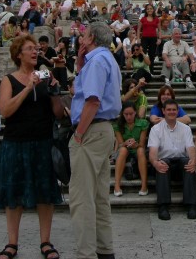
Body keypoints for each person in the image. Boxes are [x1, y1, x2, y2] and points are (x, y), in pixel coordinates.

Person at [0, 35, 63, 259]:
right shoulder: (8, 80)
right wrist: (27, 87)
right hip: (15, 143)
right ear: (18, 54)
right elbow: (5, 111)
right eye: (29, 49)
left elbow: (58, 113)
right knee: (13, 193)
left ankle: (46, 241)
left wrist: (55, 92)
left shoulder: (46, 76)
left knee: (45, 194)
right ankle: (12, 243)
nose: (35, 52)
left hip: (42, 142)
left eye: (36, 49)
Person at [69, 22, 122, 259]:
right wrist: (81, 64)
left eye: (83, 35)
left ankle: (86, 253)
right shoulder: (105, 59)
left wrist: (79, 133)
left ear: (91, 37)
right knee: (100, 197)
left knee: (81, 198)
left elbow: (92, 101)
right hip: (103, 130)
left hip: (90, 132)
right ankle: (104, 249)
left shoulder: (97, 62)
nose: (80, 39)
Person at [148, 99, 196, 220]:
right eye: (169, 110)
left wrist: (193, 161)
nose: (171, 112)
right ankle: (163, 206)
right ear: (163, 111)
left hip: (180, 163)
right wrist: (155, 163)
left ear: (177, 111)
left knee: (188, 163)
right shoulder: (155, 129)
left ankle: (192, 206)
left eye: (174, 110)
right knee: (161, 164)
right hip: (165, 163)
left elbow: (190, 148)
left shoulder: (185, 128)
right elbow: (153, 152)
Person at [113, 101, 149, 197]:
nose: (129, 117)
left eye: (131, 114)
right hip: (124, 151)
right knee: (123, 150)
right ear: (122, 114)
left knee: (141, 150)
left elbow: (142, 144)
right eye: (126, 114)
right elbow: (120, 144)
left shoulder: (143, 123)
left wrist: (135, 144)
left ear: (135, 113)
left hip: (138, 150)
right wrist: (126, 143)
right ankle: (116, 186)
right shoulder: (117, 125)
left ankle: (144, 186)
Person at [137, 3, 159, 73]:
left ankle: (151, 71)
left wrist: (159, 38)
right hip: (144, 38)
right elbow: (138, 29)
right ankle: (144, 69)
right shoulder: (143, 19)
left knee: (152, 54)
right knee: (143, 53)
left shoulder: (156, 19)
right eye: (148, 9)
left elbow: (159, 30)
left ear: (153, 10)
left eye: (151, 9)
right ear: (146, 10)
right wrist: (138, 38)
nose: (149, 10)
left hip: (153, 38)